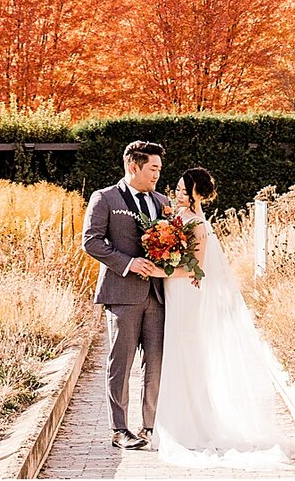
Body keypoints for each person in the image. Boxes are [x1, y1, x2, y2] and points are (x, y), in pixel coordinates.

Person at [154, 167, 291, 468]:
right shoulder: (175, 219)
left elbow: (195, 269)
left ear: (196, 194)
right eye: (175, 188)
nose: (176, 193)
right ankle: (175, 421)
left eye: (181, 189)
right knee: (177, 353)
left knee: (185, 352)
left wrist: (157, 269)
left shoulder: (197, 225)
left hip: (187, 293)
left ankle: (190, 427)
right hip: (173, 292)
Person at [80, 139, 172, 451]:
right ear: (134, 166)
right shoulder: (104, 198)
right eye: (153, 168)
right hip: (122, 294)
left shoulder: (162, 201)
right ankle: (119, 429)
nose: (158, 174)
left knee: (156, 363)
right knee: (120, 363)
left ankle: (149, 426)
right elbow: (91, 241)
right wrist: (129, 263)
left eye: (159, 169)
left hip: (158, 295)